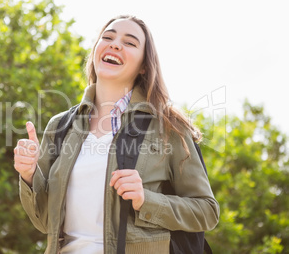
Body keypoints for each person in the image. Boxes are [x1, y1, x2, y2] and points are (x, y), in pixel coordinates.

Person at [14, 15, 219, 254]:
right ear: (96, 51)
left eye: (130, 42)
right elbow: (44, 222)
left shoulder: (168, 126)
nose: (115, 44)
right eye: (108, 37)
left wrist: (146, 200)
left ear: (144, 65)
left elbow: (207, 211)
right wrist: (29, 175)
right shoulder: (60, 126)